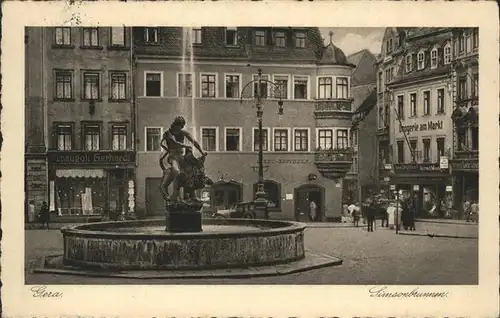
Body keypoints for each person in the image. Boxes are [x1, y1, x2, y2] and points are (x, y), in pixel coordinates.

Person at [159, 116, 207, 201]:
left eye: (182, 126)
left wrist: (201, 152)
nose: (180, 128)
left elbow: (194, 142)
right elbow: (174, 142)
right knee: (177, 172)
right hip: (172, 157)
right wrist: (185, 145)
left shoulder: (183, 132)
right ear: (175, 124)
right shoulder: (168, 133)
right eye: (179, 126)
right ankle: (175, 195)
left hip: (181, 157)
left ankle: (192, 195)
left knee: (191, 172)